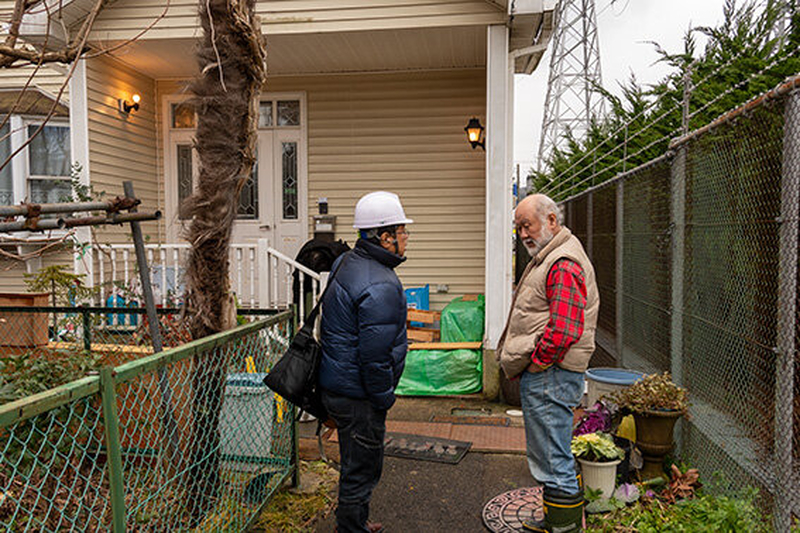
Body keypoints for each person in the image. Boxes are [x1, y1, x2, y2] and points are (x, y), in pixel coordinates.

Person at [498, 194, 599, 533]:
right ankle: (558, 522)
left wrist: (538, 363)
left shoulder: (562, 261)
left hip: (552, 374)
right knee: (551, 455)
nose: (523, 233)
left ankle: (564, 528)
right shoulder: (552, 256)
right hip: (551, 373)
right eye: (518, 227)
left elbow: (565, 328)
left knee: (552, 460)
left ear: (552, 220)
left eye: (527, 225)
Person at [318, 191, 412, 533]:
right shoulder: (382, 283)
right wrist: (384, 398)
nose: (406, 238)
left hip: (338, 387)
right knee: (362, 470)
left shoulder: (347, 262)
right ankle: (351, 529)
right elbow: (374, 359)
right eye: (402, 231)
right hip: (359, 396)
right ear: (384, 236)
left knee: (354, 463)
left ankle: (356, 523)